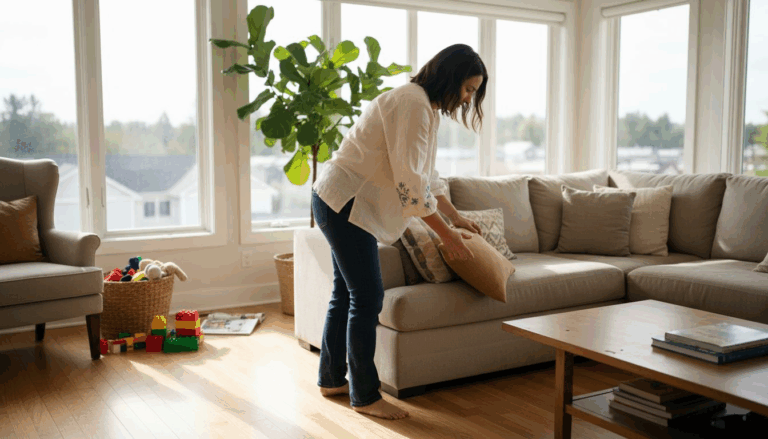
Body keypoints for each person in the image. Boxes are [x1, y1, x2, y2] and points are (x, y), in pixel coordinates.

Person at [310, 44, 488, 420]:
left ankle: (331, 379)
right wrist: (446, 234)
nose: (469, 98)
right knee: (367, 297)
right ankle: (366, 396)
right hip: (347, 204)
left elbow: (427, 177)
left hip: (339, 201)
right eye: (469, 89)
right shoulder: (413, 104)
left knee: (346, 293)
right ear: (451, 78)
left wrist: (454, 217)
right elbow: (410, 184)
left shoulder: (425, 107)